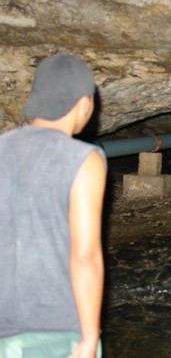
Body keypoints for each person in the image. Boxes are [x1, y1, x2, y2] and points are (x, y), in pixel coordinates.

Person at [0, 53, 107, 358]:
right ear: (84, 104)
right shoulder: (84, 160)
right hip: (57, 327)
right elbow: (85, 256)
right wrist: (88, 338)